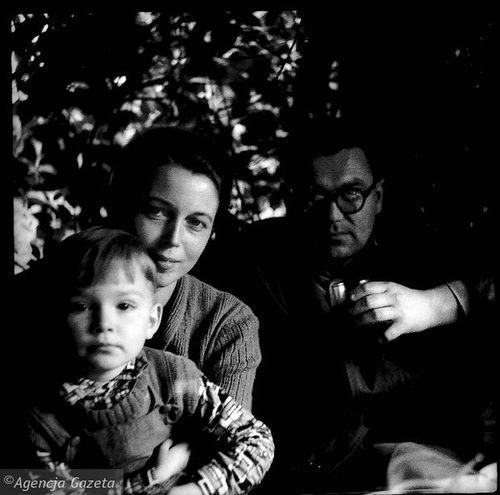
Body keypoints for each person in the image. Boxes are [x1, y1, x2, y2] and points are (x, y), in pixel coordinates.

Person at [198, 118, 494, 493]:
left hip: (418, 464)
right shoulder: (247, 260)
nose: (332, 216)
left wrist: (436, 304)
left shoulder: (420, 255)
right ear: (291, 196)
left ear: (378, 196)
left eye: (351, 194)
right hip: (287, 475)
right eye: (314, 196)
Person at [9, 126, 262, 485]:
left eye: (196, 223)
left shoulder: (226, 324)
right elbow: (16, 477)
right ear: (120, 204)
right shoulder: (44, 294)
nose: (173, 240)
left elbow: (234, 459)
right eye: (157, 212)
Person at [22, 226, 274, 495]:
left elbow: (256, 441)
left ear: (152, 320)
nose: (104, 323)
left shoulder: (175, 377)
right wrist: (154, 477)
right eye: (80, 306)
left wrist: (195, 490)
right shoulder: (41, 417)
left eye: (124, 306)